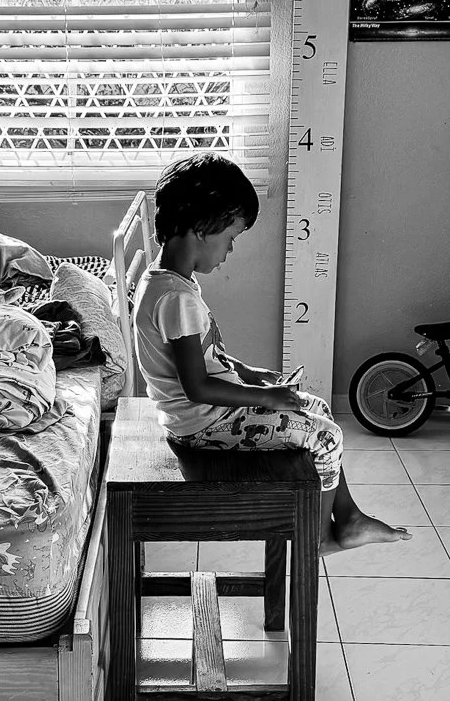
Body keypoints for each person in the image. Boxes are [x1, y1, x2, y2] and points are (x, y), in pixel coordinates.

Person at [132, 152, 410, 551]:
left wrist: (250, 374)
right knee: (326, 437)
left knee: (317, 408)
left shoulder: (166, 282)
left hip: (206, 412)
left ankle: (347, 516)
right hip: (203, 425)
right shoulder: (177, 297)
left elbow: (207, 357)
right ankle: (316, 537)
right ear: (199, 228)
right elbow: (196, 386)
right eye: (231, 237)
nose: (230, 251)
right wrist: (264, 397)